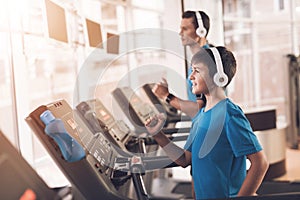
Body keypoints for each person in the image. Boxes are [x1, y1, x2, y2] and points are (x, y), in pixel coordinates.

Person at [145, 46, 269, 199]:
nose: (191, 77)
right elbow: (185, 160)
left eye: (197, 70)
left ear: (218, 76)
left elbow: (260, 163)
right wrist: (158, 135)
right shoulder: (200, 115)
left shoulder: (230, 114)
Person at [153, 10, 212, 118]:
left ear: (200, 32)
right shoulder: (198, 59)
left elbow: (198, 109)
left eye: (185, 29)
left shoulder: (205, 62)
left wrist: (166, 96)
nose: (180, 33)